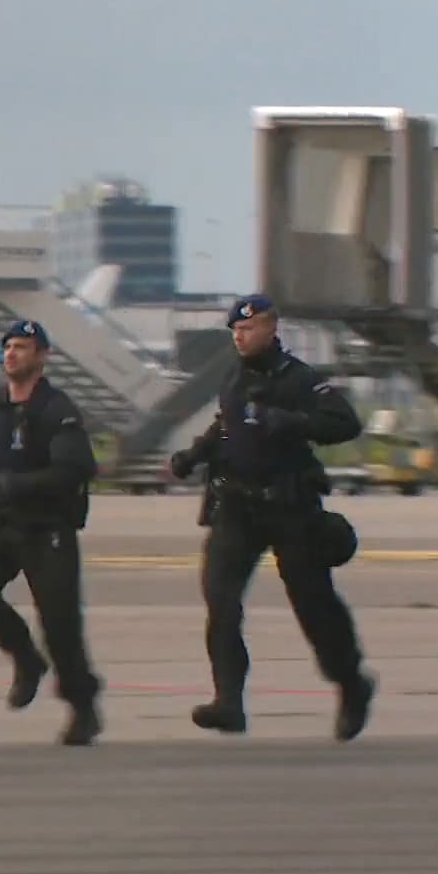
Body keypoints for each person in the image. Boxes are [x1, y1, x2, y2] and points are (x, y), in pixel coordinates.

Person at [168, 294, 375, 741]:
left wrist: (293, 421)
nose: (239, 337)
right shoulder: (234, 379)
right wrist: (194, 454)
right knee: (220, 602)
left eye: (247, 329)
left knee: (313, 605)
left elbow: (346, 423)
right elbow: (227, 425)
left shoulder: (299, 379)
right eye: (235, 331)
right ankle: (229, 702)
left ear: (269, 328)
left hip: (289, 508)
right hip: (237, 509)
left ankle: (352, 684)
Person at [0, 320, 103, 746]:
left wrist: (24, 485)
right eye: (9, 347)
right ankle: (25, 658)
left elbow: (75, 468)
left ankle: (82, 706)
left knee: (60, 624)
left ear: (42, 356)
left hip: (46, 528)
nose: (12, 354)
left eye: (22, 347)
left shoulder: (57, 409)